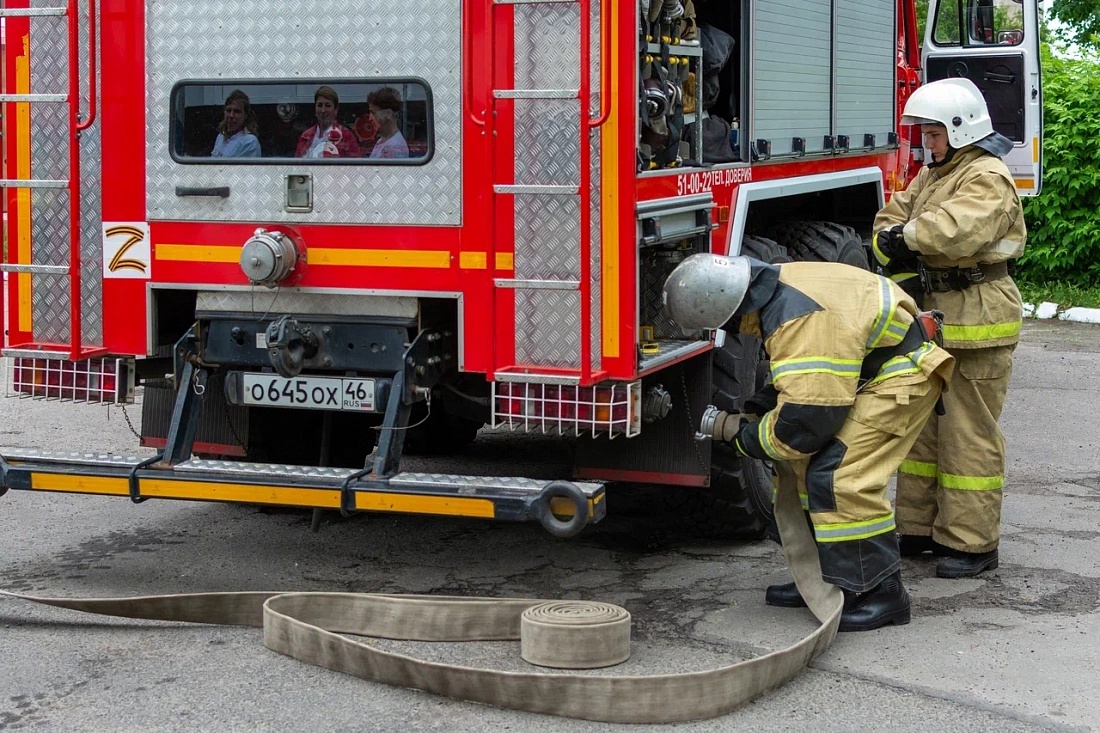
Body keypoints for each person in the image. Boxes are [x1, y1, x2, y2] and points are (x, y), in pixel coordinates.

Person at [663, 254, 954, 631]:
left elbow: (803, 424)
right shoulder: (778, 289)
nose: (735, 331)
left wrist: (744, 436)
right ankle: (824, 580)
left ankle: (882, 594)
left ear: (733, 309)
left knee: (841, 476)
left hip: (901, 375)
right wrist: (759, 409)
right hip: (869, 368)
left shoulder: (798, 318)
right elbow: (808, 379)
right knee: (803, 470)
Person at [872, 77, 1026, 579]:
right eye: (924, 133)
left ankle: (971, 543)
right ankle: (918, 529)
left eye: (934, 134)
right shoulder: (934, 174)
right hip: (935, 314)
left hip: (978, 314)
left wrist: (904, 239)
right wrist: (896, 236)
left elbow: (957, 231)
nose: (925, 143)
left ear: (961, 131)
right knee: (922, 430)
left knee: (967, 433)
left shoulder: (987, 175)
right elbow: (889, 218)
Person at [295, 86, 361, 159]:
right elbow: (297, 164)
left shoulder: (346, 136)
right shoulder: (305, 136)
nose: (323, 110)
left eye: (328, 106)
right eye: (320, 105)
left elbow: (355, 166)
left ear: (336, 110)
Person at [211, 90, 261, 158]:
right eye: (228, 110)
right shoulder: (220, 137)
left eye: (237, 111)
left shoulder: (250, 142)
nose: (231, 115)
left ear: (245, 115)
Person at [366, 87, 410, 159]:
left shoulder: (395, 147)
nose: (370, 118)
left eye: (373, 113)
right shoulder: (383, 139)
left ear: (388, 114)